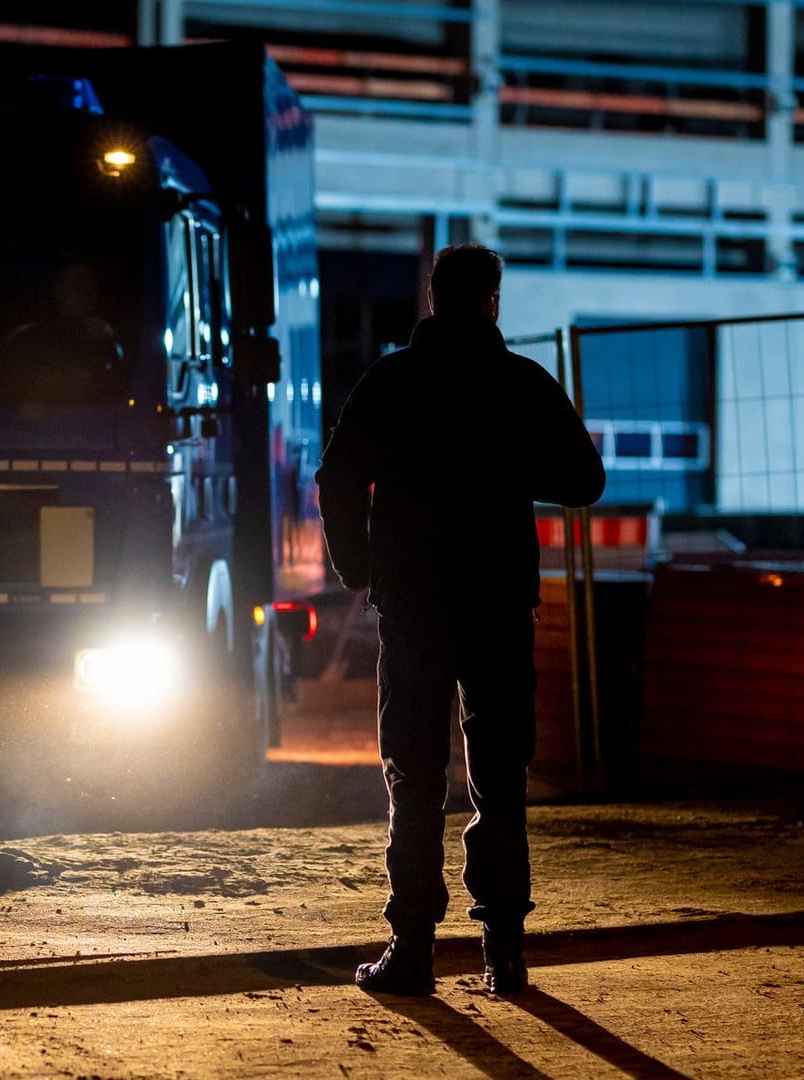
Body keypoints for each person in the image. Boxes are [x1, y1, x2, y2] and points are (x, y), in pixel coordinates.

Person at [314, 244, 605, 997]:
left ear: (434, 299)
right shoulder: (518, 383)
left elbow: (337, 477)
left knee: (413, 772)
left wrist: (359, 570)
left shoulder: (391, 380)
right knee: (500, 774)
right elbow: (584, 479)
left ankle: (411, 948)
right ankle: (504, 954)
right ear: (493, 303)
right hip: (498, 601)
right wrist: (508, 465)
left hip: (411, 601)